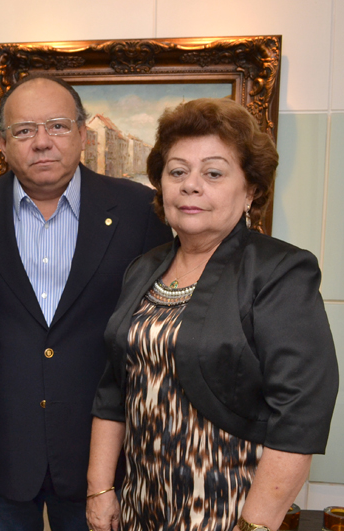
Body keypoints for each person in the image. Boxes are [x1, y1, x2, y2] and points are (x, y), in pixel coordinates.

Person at [87, 98, 339, 531]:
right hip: (139, 508)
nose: (190, 185)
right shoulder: (143, 269)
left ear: (251, 190)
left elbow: (300, 416)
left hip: (228, 511)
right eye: (177, 172)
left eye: (214, 173)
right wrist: (99, 490)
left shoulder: (279, 271)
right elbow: (113, 390)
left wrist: (253, 526)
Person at [0, 75, 172, 531]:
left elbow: (155, 333)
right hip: (0, 456)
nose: (42, 142)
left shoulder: (140, 210)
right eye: (24, 130)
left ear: (82, 133)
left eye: (58, 126)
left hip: (102, 458)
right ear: (2, 143)